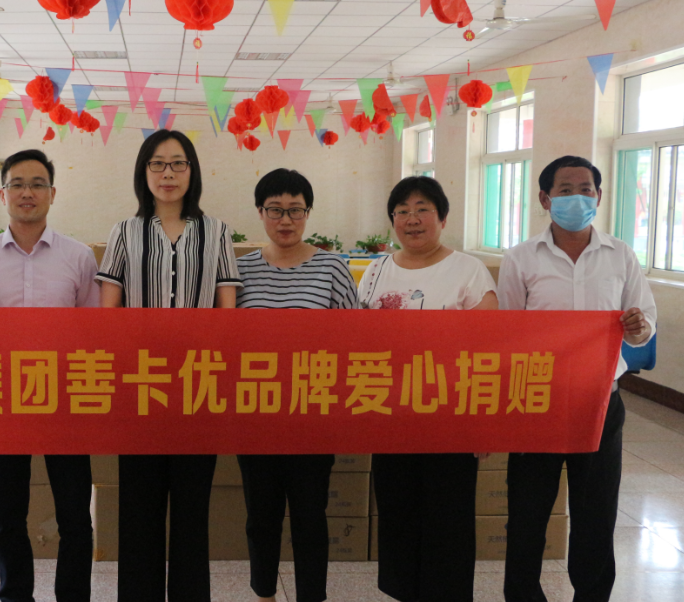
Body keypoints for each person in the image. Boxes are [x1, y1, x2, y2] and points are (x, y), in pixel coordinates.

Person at [500, 156, 655, 602]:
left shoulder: (620, 254)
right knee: (527, 512)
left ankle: (592, 595)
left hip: (599, 400)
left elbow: (645, 321)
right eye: (565, 190)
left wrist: (638, 327)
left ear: (599, 197)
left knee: (596, 512)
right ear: (545, 198)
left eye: (585, 189)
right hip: (536, 400)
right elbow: (506, 331)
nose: (577, 198)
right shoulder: (520, 258)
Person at [96, 129, 241, 601]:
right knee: (138, 511)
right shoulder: (125, 231)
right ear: (144, 172)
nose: (168, 173)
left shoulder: (217, 232)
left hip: (198, 388)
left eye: (178, 163)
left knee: (191, 512)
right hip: (141, 388)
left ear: (192, 171)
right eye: (157, 163)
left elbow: (227, 314)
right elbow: (109, 316)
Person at [0, 149, 98, 602]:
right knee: (8, 516)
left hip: (66, 400)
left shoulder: (79, 257)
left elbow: (92, 333)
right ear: (3, 194)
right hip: (3, 402)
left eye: (37, 184)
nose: (27, 192)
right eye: (17, 184)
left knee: (75, 515)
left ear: (52, 193)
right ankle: (15, 595)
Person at [356, 176, 498, 602]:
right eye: (402, 211)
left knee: (448, 520)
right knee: (397, 515)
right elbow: (358, 338)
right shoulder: (377, 270)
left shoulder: (468, 270)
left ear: (443, 218)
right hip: (391, 416)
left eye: (422, 210)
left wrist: (483, 423)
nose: (412, 219)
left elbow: (490, 350)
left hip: (450, 419)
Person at [235, 169, 356, 602]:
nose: (285, 220)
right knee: (260, 516)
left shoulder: (332, 267)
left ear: (308, 213)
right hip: (256, 414)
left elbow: (352, 339)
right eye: (275, 210)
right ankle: (264, 594)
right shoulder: (240, 269)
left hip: (312, 415)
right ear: (260, 212)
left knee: (310, 516)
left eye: (295, 210)